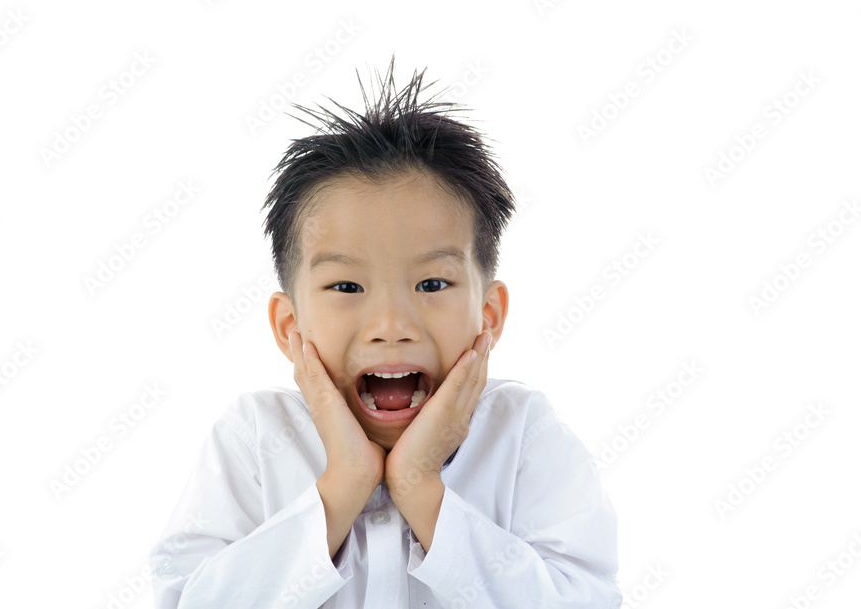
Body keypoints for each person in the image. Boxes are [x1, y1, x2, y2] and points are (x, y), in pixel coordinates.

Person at [149, 56, 622, 608]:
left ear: (489, 315)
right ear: (289, 325)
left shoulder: (522, 434)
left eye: (432, 283)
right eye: (347, 287)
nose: (392, 327)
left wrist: (421, 487)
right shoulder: (254, 437)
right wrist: (344, 484)